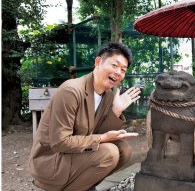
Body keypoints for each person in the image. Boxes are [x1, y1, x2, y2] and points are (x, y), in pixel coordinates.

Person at [28, 43, 141, 191]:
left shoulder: (108, 96)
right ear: (98, 62)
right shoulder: (71, 91)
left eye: (123, 70)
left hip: (75, 155)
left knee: (123, 150)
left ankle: (83, 187)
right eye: (114, 65)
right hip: (51, 160)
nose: (118, 72)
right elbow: (60, 143)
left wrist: (116, 110)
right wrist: (102, 138)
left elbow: (98, 131)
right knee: (109, 153)